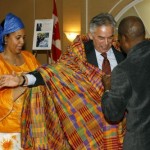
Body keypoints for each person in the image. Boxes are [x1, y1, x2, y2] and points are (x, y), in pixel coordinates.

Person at [0, 13, 126, 150]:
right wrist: (22, 80)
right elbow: (50, 73)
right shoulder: (78, 56)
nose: (106, 43)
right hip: (89, 129)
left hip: (123, 126)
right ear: (91, 35)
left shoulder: (124, 54)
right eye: (101, 38)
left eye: (110, 38)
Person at [101, 16, 150, 150]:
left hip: (140, 143)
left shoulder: (123, 70)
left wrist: (107, 89)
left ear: (124, 38)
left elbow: (113, 114)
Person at [0, 13, 40, 150]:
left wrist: (23, 80)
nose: (22, 42)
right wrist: (23, 85)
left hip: (32, 129)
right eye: (18, 38)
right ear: (6, 38)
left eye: (24, 37)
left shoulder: (30, 58)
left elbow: (42, 80)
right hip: (7, 133)